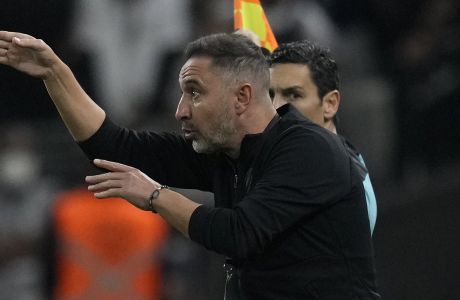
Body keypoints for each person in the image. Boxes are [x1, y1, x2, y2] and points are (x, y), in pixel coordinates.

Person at [0, 31, 380, 299]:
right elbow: (115, 146)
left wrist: (155, 196)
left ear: (242, 97)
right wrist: (56, 75)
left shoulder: (308, 149)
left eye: (194, 92)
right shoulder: (228, 153)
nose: (180, 110)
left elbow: (239, 232)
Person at [267, 40, 378, 235]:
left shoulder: (340, 178)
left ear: (329, 104)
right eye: (270, 95)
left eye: (293, 95)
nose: (275, 108)